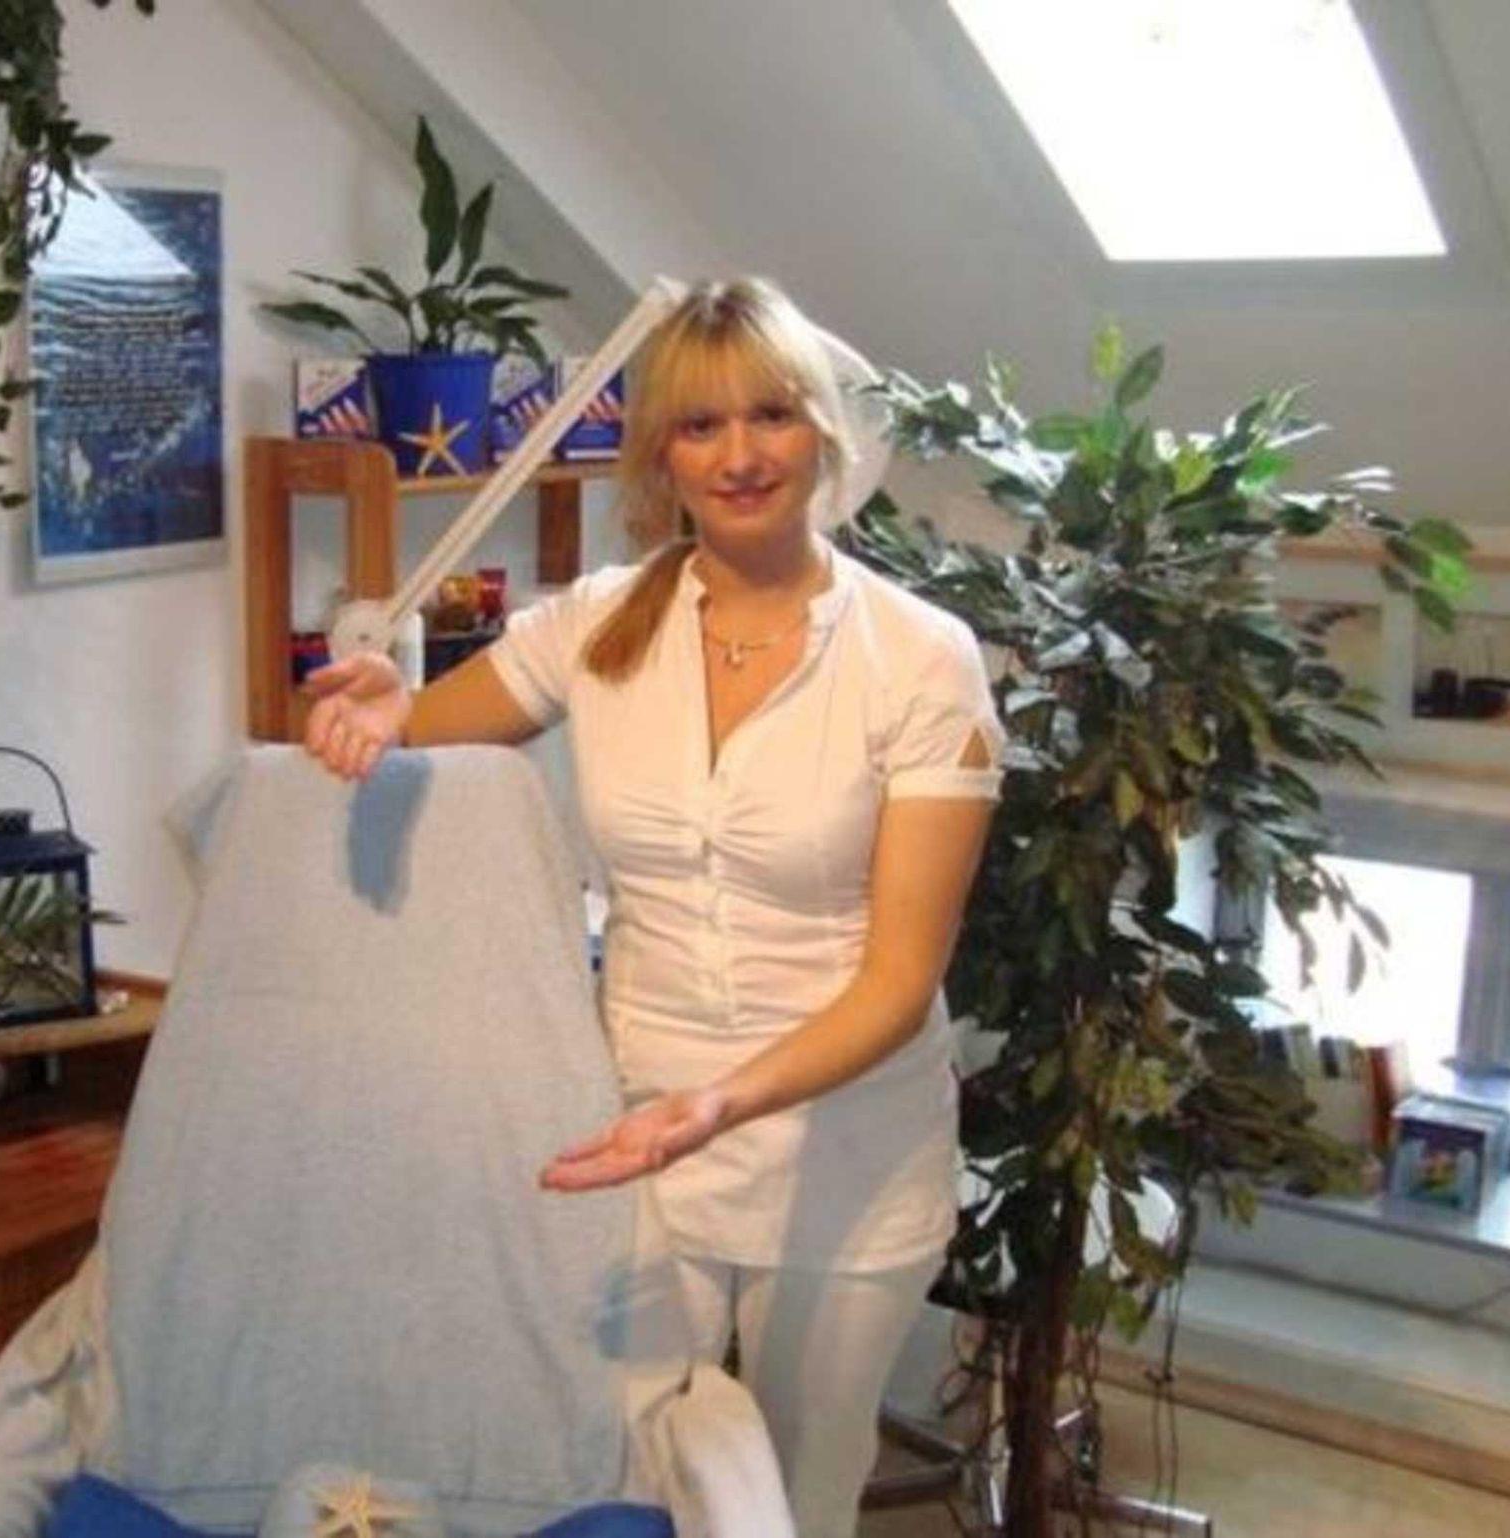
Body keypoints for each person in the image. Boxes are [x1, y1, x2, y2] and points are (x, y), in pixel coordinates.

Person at [300, 277, 1002, 1537]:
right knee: (618, 1468)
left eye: (770, 415)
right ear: (658, 454)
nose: (739, 456)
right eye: (699, 424)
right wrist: (375, 705)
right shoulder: (600, 622)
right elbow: (418, 735)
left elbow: (898, 984)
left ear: (822, 432)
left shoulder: (918, 657)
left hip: (841, 1161)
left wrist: (717, 1102)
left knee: (791, 1497)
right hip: (639, 1140)